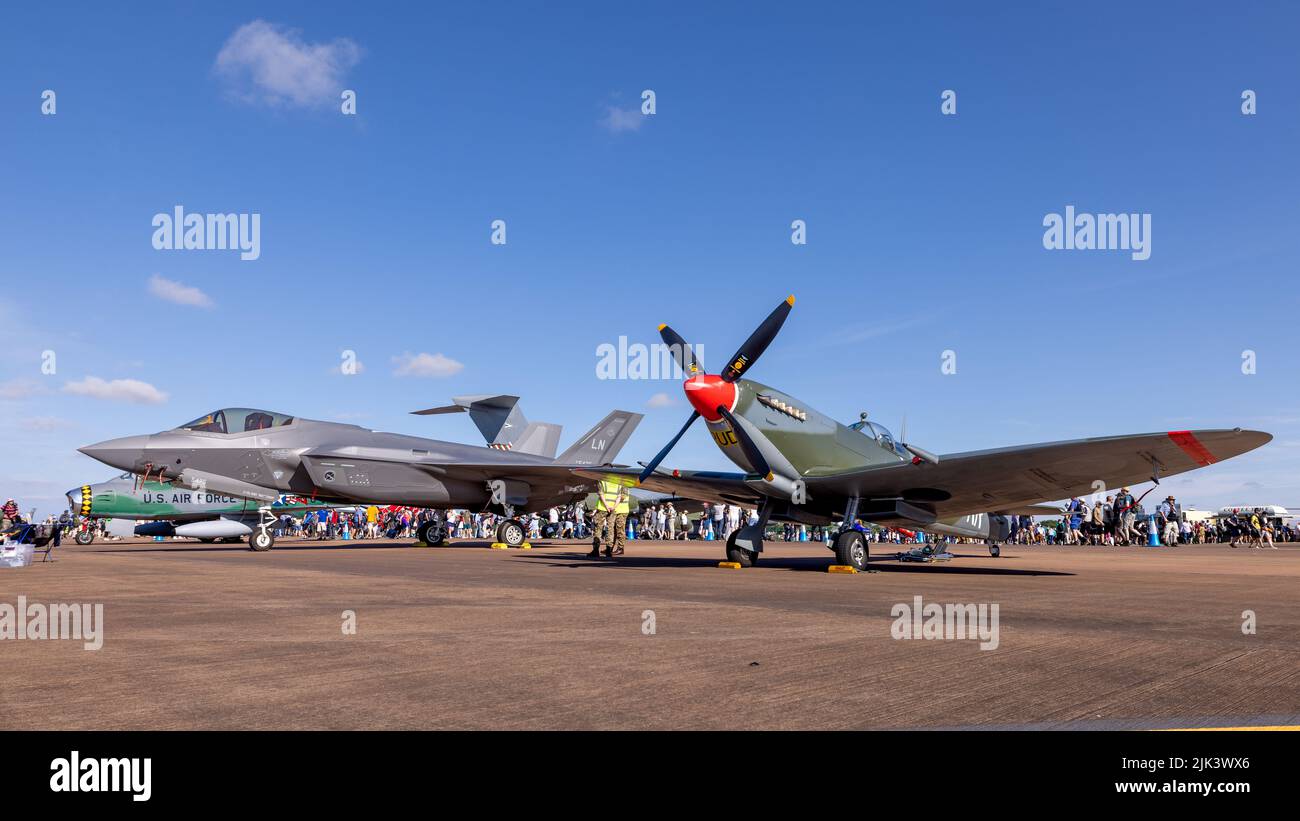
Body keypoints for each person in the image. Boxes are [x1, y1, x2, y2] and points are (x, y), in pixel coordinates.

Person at [589, 479, 629, 558]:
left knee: (598, 529)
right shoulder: (618, 484)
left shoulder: (603, 482)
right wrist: (613, 507)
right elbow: (619, 497)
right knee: (610, 529)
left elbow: (601, 495)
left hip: (605, 508)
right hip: (613, 509)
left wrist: (605, 506)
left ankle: (596, 550)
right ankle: (608, 550)